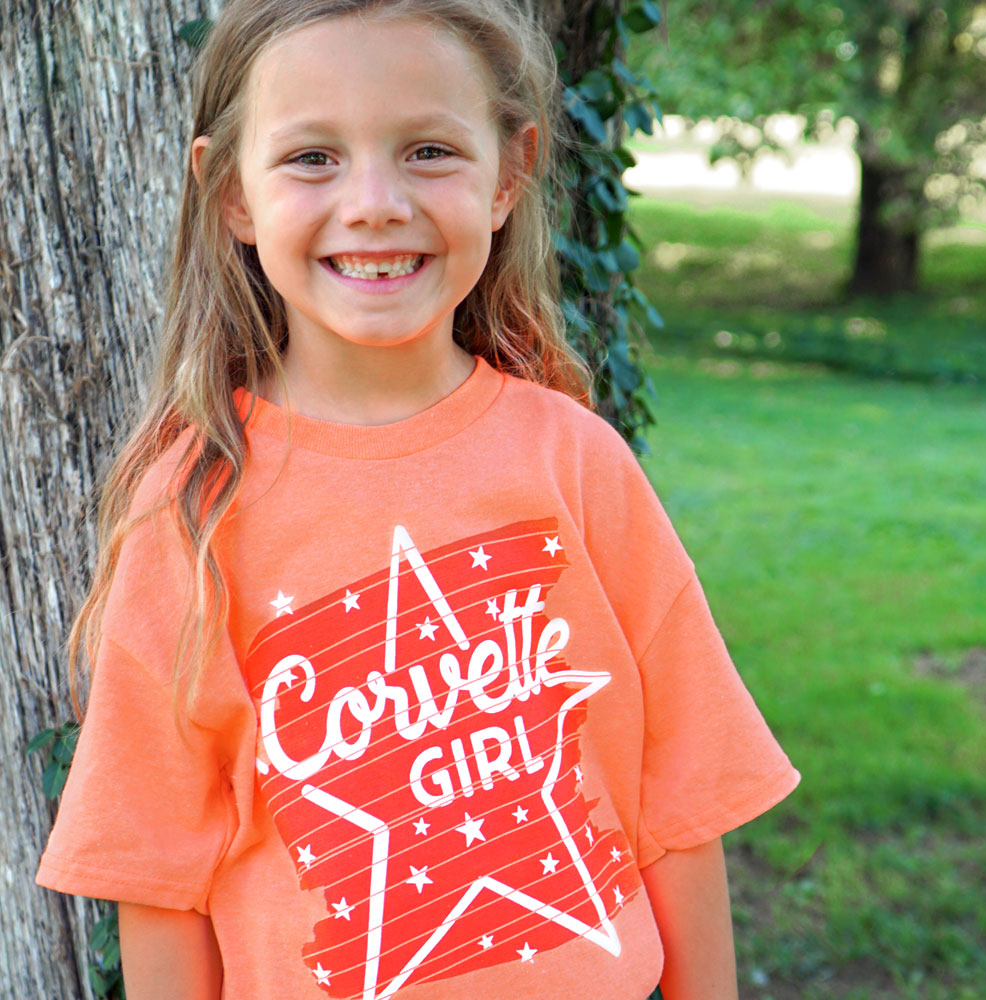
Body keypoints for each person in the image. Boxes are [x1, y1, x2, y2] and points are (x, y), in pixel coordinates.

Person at [35, 1, 800, 997]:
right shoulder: (191, 509)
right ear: (230, 194)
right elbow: (157, 874)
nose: (375, 203)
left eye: (428, 150)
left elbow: (679, 800)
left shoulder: (576, 462)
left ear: (508, 175)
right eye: (312, 157)